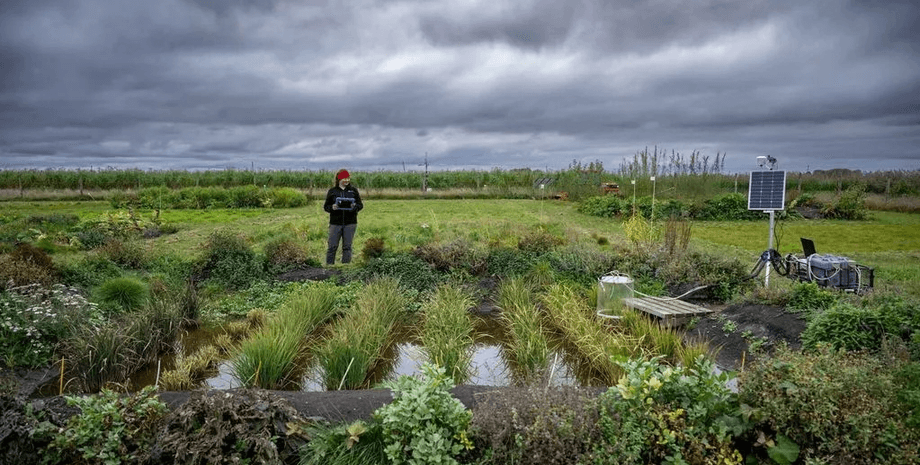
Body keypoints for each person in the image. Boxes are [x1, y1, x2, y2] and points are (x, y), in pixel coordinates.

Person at [324, 169, 363, 265]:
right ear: (339, 179)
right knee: (332, 246)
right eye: (344, 178)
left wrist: (354, 207)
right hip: (335, 223)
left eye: (348, 178)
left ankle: (345, 266)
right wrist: (332, 208)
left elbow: (360, 205)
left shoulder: (353, 191)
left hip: (350, 222)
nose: (347, 180)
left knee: (347, 246)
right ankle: (329, 265)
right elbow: (326, 207)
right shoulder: (332, 191)